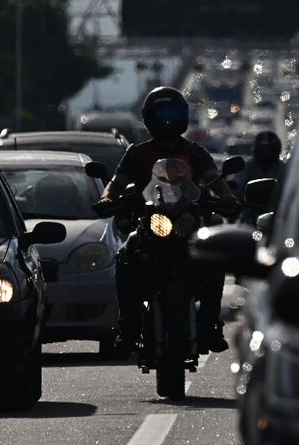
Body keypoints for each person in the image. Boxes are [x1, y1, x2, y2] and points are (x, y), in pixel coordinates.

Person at [98, 86, 237, 353]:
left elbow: (214, 180)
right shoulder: (137, 153)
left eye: (172, 112)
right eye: (161, 113)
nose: (167, 120)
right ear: (149, 117)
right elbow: (115, 185)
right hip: (151, 223)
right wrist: (108, 199)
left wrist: (226, 198)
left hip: (189, 223)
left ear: (183, 115)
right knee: (125, 257)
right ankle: (128, 326)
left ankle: (209, 326)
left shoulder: (196, 152)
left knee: (214, 261)